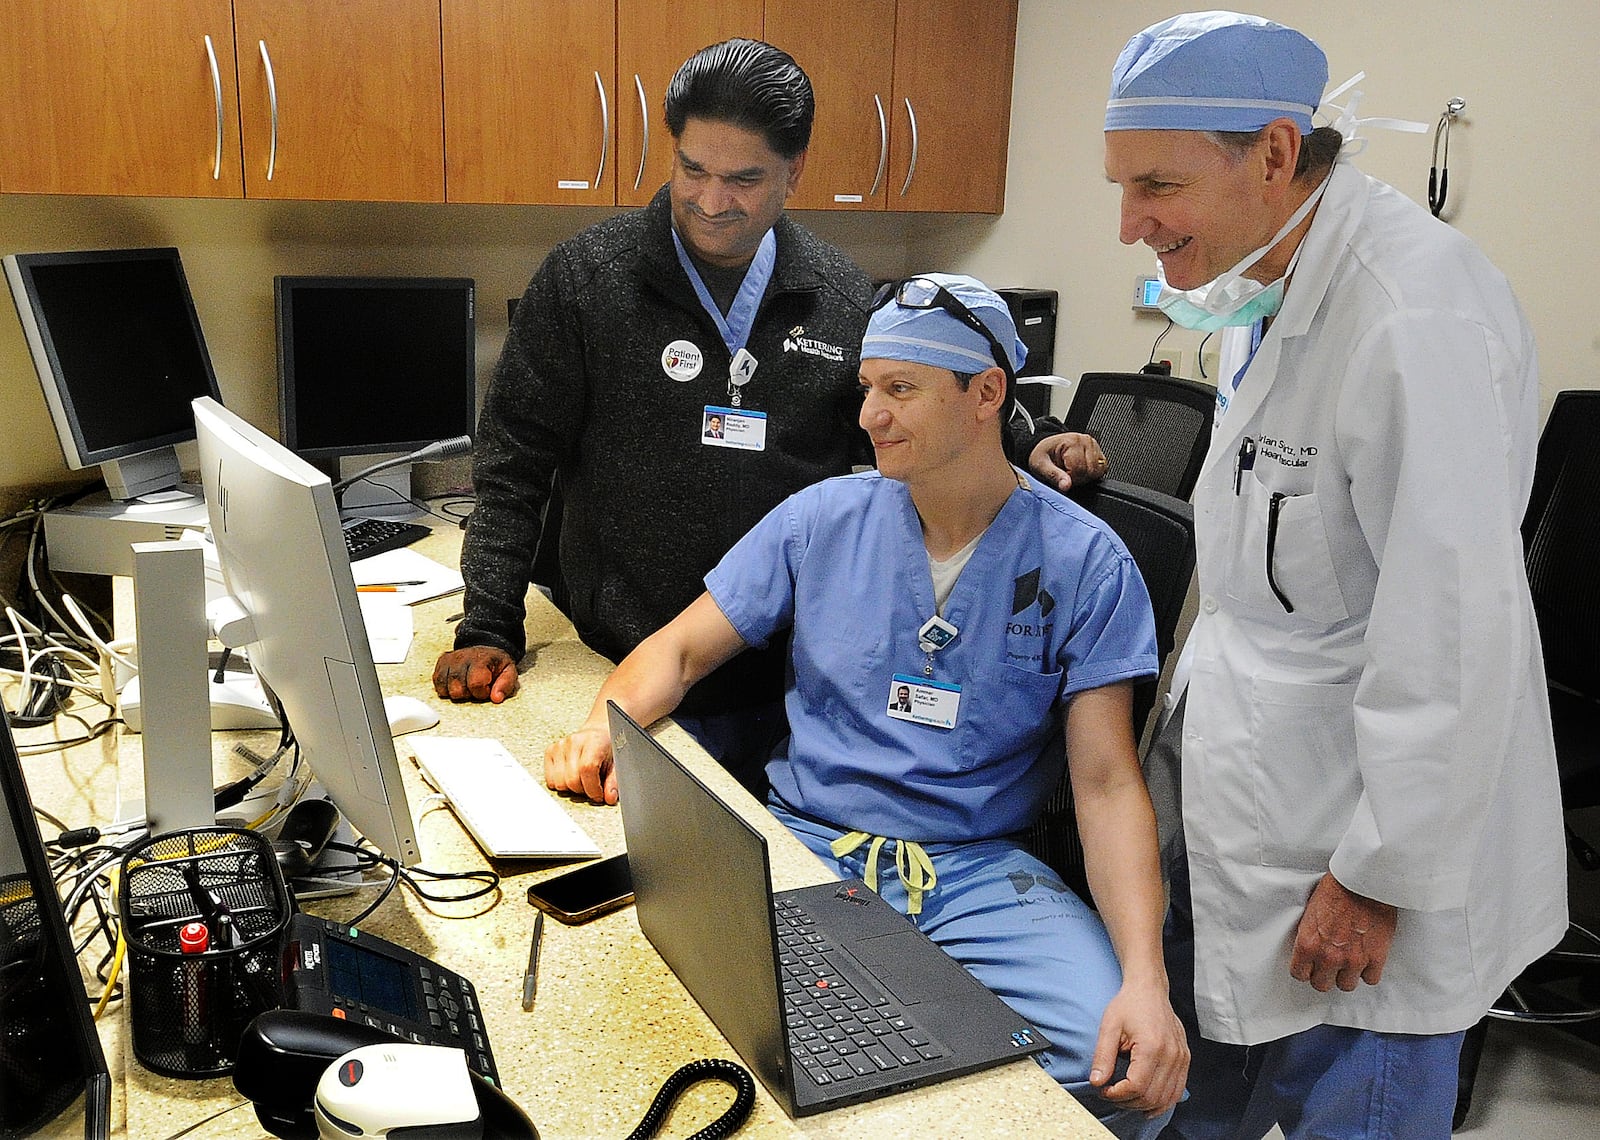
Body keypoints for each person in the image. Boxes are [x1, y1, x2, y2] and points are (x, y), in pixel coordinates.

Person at [546, 274, 1188, 1136]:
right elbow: (681, 649)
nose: (868, 416)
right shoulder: (823, 520)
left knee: (1118, 1064)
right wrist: (602, 724)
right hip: (805, 843)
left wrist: (1146, 981)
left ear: (985, 394)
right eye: (867, 388)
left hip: (974, 867)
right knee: (697, 1020)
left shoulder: (1084, 563)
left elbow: (1107, 784)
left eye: (901, 390)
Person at [1100, 13, 1566, 1138]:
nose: (1128, 225)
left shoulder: (1413, 314)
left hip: (1367, 884)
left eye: (1156, 184)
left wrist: (1377, 875)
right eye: (1120, 186)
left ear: (1270, 153)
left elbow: (1453, 628)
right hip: (1256, 818)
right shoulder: (1272, 286)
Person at [433, 38, 1105, 780]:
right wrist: (489, 621)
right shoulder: (588, 280)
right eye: (694, 169)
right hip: (615, 659)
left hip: (786, 685)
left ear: (795, 172)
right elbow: (512, 464)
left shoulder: (842, 296)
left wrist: (1026, 442)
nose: (712, 200)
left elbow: (924, 402)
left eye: (744, 179)